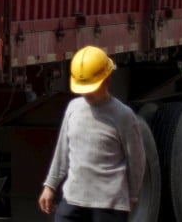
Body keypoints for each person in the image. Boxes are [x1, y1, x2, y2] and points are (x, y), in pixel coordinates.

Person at [39, 45, 145, 221]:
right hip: (73, 200)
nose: (85, 92)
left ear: (107, 80)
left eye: (90, 87)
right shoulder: (73, 108)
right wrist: (50, 186)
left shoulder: (123, 115)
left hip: (108, 206)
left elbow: (137, 161)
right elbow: (62, 152)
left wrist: (132, 197)